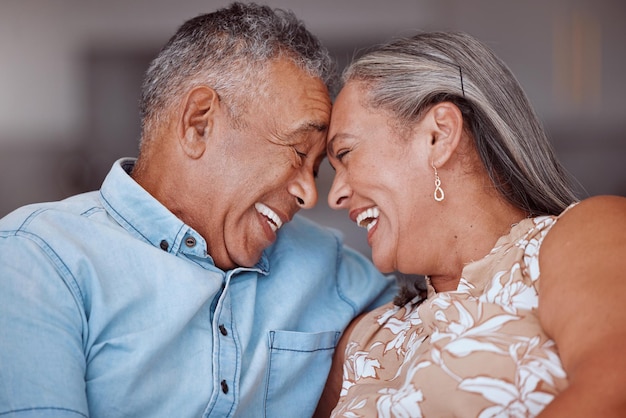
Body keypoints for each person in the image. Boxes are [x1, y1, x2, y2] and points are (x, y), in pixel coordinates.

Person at [0, 3, 397, 417]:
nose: (308, 195)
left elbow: (443, 320)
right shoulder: (38, 259)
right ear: (199, 123)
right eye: (298, 152)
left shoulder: (329, 267)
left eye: (315, 171)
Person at [317, 31, 626, 417]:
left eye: (345, 154)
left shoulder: (584, 236)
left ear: (438, 135)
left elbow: (613, 388)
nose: (334, 195)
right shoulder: (362, 343)